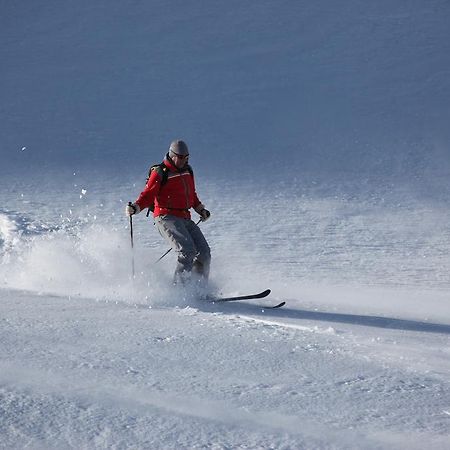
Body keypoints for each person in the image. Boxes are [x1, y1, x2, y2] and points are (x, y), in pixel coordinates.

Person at [126, 140, 211, 285]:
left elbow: (191, 194)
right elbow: (148, 194)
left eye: (187, 157)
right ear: (172, 155)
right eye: (181, 157)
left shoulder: (188, 171)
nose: (184, 160)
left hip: (185, 217)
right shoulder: (160, 172)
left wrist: (200, 209)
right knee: (187, 251)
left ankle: (199, 288)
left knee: (204, 253)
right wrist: (135, 207)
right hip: (166, 217)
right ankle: (180, 289)